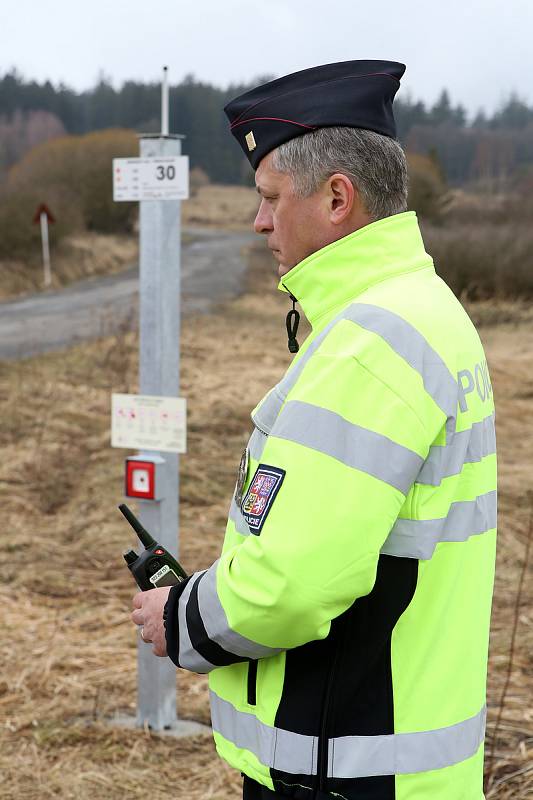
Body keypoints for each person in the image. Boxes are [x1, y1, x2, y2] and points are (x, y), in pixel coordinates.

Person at [132, 60, 497, 800]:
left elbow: (292, 587)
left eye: (269, 198)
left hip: (345, 768)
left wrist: (181, 616)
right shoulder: (417, 307)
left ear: (337, 197)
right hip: (389, 757)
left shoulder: (373, 341)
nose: (258, 220)